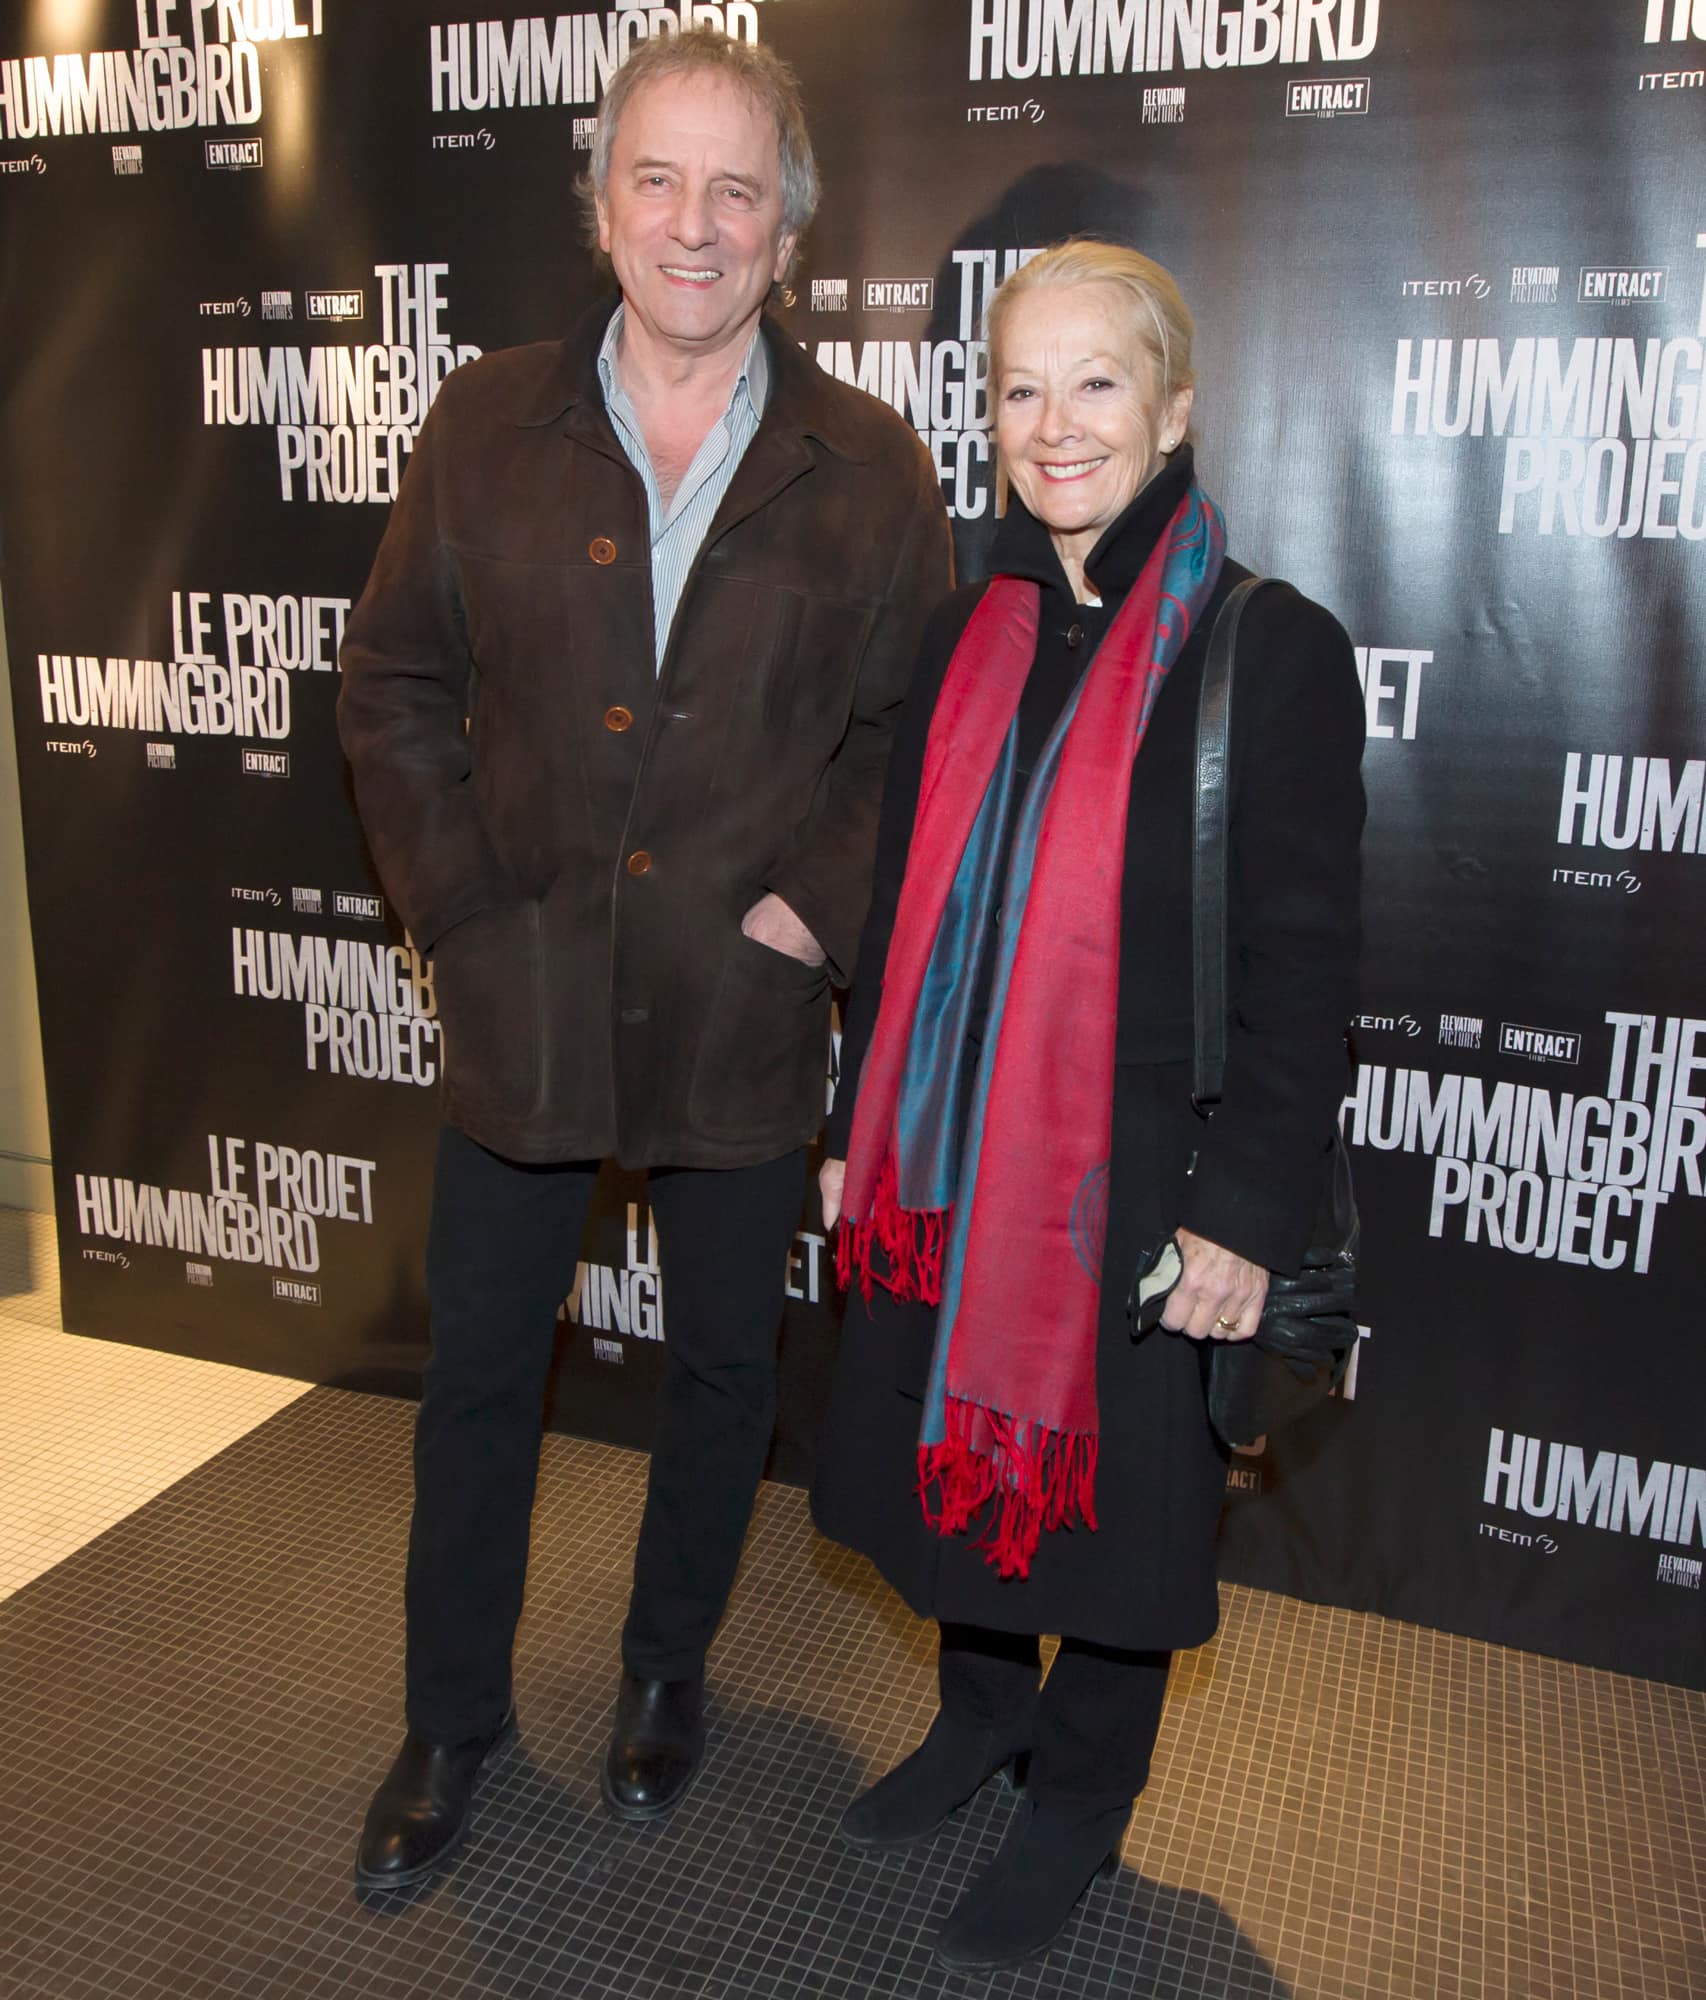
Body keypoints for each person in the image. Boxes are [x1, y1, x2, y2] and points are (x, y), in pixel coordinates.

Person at [337, 28, 949, 1889]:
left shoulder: (871, 466)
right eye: (658, 180)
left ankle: (666, 1669)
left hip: (738, 1011)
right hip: (522, 1000)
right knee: (478, 1381)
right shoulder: (483, 425)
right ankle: (450, 1718)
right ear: (600, 206)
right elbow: (393, 685)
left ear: (788, 233)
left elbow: (906, 742)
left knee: (720, 1376)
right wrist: (463, 917)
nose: (695, 224)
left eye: (734, 190)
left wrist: (809, 916)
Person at [812, 237, 1364, 1969]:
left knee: (1118, 1539)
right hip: (945, 1158)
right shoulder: (962, 635)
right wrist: (854, 1127)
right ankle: (981, 1719)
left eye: (1097, 383)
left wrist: (1239, 1218)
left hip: (1139, 1182)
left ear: (1175, 408)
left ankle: (1077, 1804)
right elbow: (894, 911)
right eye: (1020, 389)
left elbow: (1302, 972)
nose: (1054, 426)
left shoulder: (1270, 650)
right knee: (944, 1477)